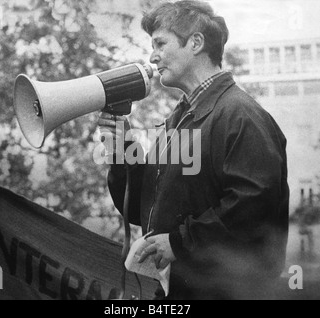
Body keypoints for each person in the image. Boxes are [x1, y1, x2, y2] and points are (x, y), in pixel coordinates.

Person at [98, 0, 289, 300]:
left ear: (196, 43)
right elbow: (143, 210)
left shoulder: (241, 115)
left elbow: (254, 207)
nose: (153, 55)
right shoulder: (181, 119)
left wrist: (179, 242)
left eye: (160, 43)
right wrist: (121, 147)